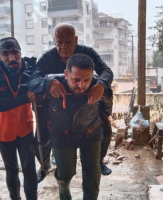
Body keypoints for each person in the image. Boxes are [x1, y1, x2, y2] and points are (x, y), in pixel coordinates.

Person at [28, 23, 114, 182]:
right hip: (57, 106)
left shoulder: (87, 53)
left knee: (104, 126)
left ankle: (99, 160)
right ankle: (44, 164)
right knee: (41, 133)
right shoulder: (48, 57)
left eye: (67, 42)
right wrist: (49, 83)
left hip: (85, 101)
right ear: (54, 41)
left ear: (75, 40)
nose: (63, 47)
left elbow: (107, 71)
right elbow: (33, 80)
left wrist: (101, 84)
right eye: (59, 42)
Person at [46, 53, 108, 200]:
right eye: (76, 80)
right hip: (62, 135)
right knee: (65, 172)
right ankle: (63, 186)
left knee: (93, 172)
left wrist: (102, 85)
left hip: (91, 132)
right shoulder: (52, 85)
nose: (81, 85)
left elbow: (107, 112)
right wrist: (46, 84)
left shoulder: (98, 86)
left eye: (87, 79)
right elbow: (32, 82)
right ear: (66, 74)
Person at [0, 37, 38, 200]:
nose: (11, 57)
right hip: (3, 131)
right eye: (5, 54)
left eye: (15, 52)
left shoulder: (30, 69)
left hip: (25, 129)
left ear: (20, 52)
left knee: (29, 167)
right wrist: (25, 99)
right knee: (12, 169)